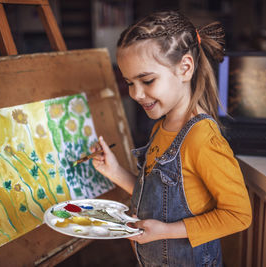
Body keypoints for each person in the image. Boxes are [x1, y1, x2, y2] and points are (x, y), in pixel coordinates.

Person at [91, 10, 252, 267]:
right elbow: (161, 199)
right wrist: (115, 172)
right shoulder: (161, 127)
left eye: (147, 80)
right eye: (129, 83)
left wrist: (165, 232)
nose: (136, 94)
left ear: (185, 68)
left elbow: (239, 215)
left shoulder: (202, 138)